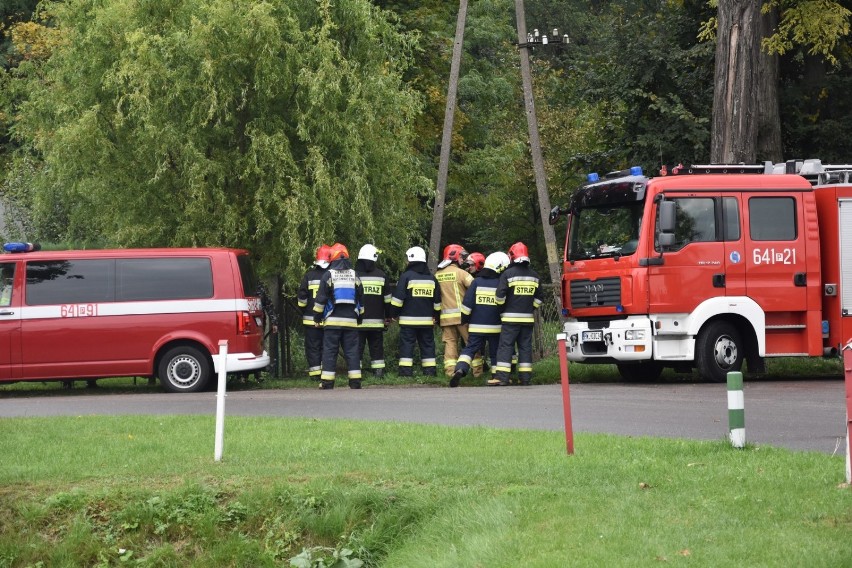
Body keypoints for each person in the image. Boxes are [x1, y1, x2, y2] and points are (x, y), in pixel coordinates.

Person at [450, 251, 510, 387]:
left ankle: (460, 369)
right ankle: (495, 376)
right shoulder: (500, 283)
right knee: (495, 352)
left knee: (469, 349)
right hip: (496, 326)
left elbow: (467, 304)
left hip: (476, 326)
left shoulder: (476, 282)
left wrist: (464, 319)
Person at [313, 243, 364, 389]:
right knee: (352, 352)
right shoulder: (355, 275)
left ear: (332, 258)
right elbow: (361, 298)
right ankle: (355, 382)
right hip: (351, 322)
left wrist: (317, 318)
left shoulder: (328, 275)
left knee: (329, 351)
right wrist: (359, 317)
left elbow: (321, 299)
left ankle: (327, 383)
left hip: (332, 321)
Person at [492, 242, 543, 386]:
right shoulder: (535, 276)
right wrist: (529, 307)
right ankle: (525, 378)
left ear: (512, 257)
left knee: (506, 346)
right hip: (527, 320)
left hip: (509, 319)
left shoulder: (507, 274)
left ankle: (502, 378)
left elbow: (499, 297)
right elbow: (539, 299)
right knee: (525, 348)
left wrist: (502, 308)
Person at [390, 246, 441, 377]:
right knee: (428, 346)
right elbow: (437, 302)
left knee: (407, 345)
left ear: (412, 260)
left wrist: (393, 314)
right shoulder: (431, 278)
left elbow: (397, 299)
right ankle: (430, 372)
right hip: (427, 322)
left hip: (408, 321)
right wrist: (436, 317)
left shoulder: (406, 276)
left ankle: (405, 373)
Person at [435, 244, 474, 377]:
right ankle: (478, 373)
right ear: (455, 257)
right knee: (471, 343)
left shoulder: (437, 275)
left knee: (450, 344)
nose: (463, 260)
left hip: (445, 318)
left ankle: (450, 372)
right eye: (461, 257)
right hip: (463, 317)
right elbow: (476, 288)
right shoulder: (462, 273)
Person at [355, 243, 391, 378]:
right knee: (376, 348)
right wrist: (388, 317)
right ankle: (379, 373)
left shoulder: (354, 275)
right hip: (377, 322)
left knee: (357, 348)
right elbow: (388, 300)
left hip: (358, 322)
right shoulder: (381, 275)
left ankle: (356, 373)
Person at [297, 244, 331, 379]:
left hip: (310, 319)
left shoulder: (308, 276)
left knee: (313, 347)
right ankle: (326, 372)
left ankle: (315, 374)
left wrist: (304, 310)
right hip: (328, 318)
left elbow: (301, 299)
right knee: (327, 346)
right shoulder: (331, 275)